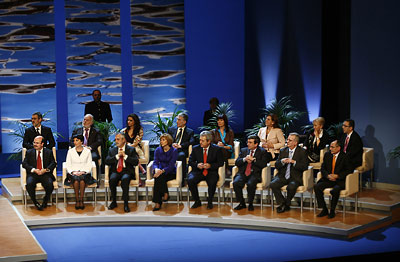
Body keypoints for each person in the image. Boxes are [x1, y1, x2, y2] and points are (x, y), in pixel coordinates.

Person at [270, 133, 309, 213]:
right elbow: (277, 165)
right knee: (273, 184)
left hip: (295, 176)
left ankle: (286, 204)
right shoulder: (283, 150)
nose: (287, 141)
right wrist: (282, 161)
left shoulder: (302, 151)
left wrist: (294, 162)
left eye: (289, 140)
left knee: (291, 187)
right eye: (287, 139)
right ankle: (282, 203)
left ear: (295, 143)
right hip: (283, 175)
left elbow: (305, 166)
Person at [314, 140, 352, 218]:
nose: (330, 149)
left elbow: (349, 170)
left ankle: (332, 210)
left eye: (332, 147)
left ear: (338, 148)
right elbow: (323, 168)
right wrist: (328, 176)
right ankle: (324, 209)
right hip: (328, 179)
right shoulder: (327, 155)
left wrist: (337, 176)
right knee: (317, 187)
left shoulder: (345, 156)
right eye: (330, 147)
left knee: (335, 190)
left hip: (339, 180)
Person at [187, 131, 224, 209]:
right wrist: (197, 165)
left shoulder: (217, 149)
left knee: (212, 181)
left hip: (211, 171)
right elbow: (190, 162)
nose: (200, 142)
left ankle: (210, 201)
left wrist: (210, 166)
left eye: (202, 141)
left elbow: (220, 163)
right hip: (198, 171)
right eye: (200, 140)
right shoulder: (195, 148)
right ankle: (197, 201)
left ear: (209, 141)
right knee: (190, 180)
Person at [233, 136, 269, 211]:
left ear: (256, 144)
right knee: (236, 183)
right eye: (247, 142)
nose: (248, 144)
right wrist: (244, 159)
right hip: (243, 173)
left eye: (250, 142)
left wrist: (254, 160)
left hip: (254, 174)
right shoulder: (243, 150)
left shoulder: (262, 151)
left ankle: (250, 203)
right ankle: (242, 203)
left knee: (250, 184)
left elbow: (264, 164)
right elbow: (237, 162)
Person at [105, 133, 138, 213]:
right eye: (115, 139)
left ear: (123, 140)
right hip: (115, 171)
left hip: (126, 171)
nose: (116, 141)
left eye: (118, 139)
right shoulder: (112, 150)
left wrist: (126, 156)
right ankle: (114, 202)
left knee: (125, 179)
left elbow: (136, 162)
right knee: (112, 179)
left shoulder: (131, 149)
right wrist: (116, 156)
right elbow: (107, 161)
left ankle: (126, 203)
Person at [22, 136, 56, 211]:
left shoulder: (48, 152)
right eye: (34, 142)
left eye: (37, 143)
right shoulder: (29, 152)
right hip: (33, 174)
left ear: (42, 144)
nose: (35, 144)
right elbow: (24, 163)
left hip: (45, 174)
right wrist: (34, 170)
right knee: (30, 184)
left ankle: (45, 201)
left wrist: (46, 170)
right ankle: (35, 202)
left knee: (50, 184)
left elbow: (53, 163)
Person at [65, 134, 97, 210]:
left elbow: (89, 164)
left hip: (84, 173)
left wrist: (83, 171)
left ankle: (81, 200)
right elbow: (68, 164)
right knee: (76, 181)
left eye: (77, 140)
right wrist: (73, 172)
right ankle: (77, 200)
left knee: (82, 181)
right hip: (73, 173)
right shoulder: (70, 151)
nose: (75, 142)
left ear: (81, 141)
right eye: (74, 140)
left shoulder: (87, 151)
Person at [152, 133, 178, 211]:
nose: (161, 141)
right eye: (160, 140)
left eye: (163, 140)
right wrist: (156, 169)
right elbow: (155, 162)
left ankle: (157, 202)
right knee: (158, 177)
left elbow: (171, 165)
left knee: (159, 177)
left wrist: (162, 171)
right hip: (159, 171)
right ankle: (164, 195)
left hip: (170, 172)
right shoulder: (158, 150)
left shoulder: (174, 151)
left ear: (168, 141)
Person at [167, 112, 195, 185]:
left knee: (181, 156)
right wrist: (171, 144)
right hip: (171, 149)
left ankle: (181, 180)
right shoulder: (171, 130)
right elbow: (166, 139)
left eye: (179, 120)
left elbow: (192, 141)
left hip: (181, 150)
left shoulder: (190, 131)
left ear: (184, 122)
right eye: (177, 119)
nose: (177, 121)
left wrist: (181, 146)